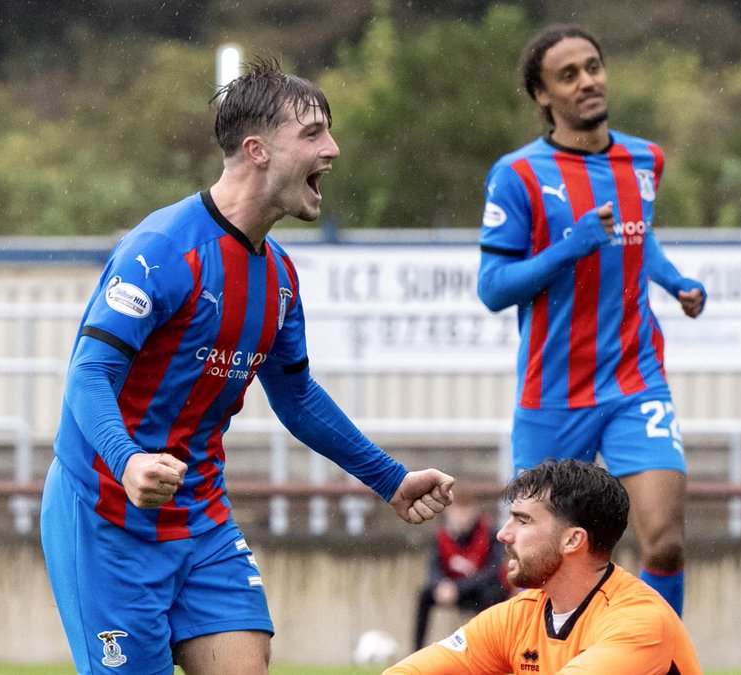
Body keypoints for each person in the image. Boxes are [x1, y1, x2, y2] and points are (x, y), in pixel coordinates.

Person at [39, 57, 456, 675]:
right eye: (313, 134)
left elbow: (297, 399)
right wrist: (127, 461)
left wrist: (389, 478)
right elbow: (88, 374)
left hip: (201, 521)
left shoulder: (281, 277)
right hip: (106, 518)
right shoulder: (161, 252)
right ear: (257, 150)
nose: (333, 149)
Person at [476, 24, 706, 615]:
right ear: (542, 96)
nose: (588, 82)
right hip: (552, 390)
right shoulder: (518, 175)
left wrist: (675, 280)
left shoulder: (644, 158)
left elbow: (638, 237)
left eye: (594, 66)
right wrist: (567, 248)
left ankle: (650, 659)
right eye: (569, 74)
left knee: (666, 541)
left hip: (635, 379)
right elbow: (493, 288)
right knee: (535, 566)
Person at [385, 459, 702, 674]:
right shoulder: (518, 615)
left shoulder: (640, 622)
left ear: (572, 540)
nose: (502, 534)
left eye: (522, 521)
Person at [413, 492, 510, 650]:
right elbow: (433, 568)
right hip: (451, 588)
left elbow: (492, 572)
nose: (462, 517)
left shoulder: (489, 534)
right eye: (458, 511)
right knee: (424, 594)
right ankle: (416, 650)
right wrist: (441, 585)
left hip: (478, 590)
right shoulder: (441, 536)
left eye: (466, 511)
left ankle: (487, 648)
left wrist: (459, 588)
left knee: (492, 594)